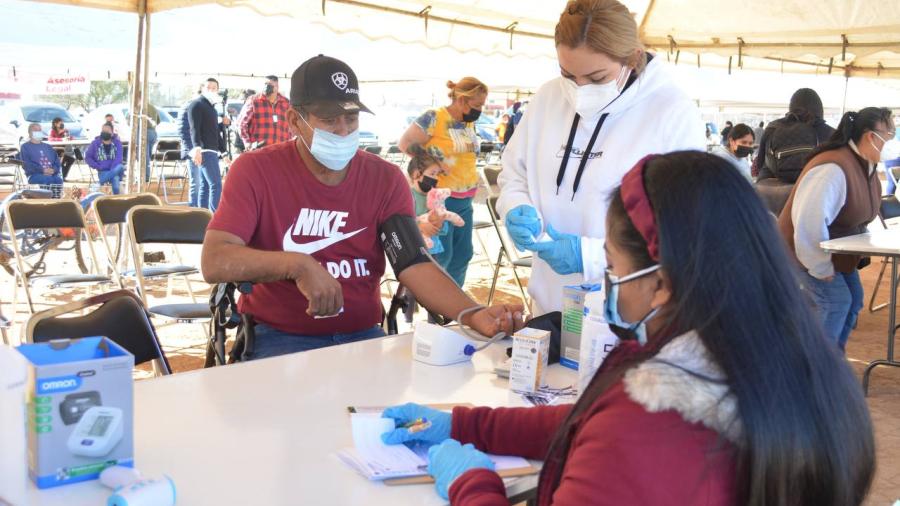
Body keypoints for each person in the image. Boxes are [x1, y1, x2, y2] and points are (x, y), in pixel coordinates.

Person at [382, 152, 875, 505]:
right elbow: (589, 422)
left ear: (659, 282)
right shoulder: (785, 361)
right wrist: (468, 424)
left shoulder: (650, 428)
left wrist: (473, 486)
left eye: (613, 267)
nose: (609, 284)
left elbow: (617, 434)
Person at [201, 55, 523, 360]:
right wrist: (297, 265)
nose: (343, 131)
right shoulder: (256, 171)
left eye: (351, 118)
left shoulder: (384, 179)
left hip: (363, 335)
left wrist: (474, 314)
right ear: (295, 121)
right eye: (329, 120)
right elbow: (215, 260)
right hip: (280, 338)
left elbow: (413, 262)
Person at [497, 0, 705, 314]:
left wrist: (592, 256)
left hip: (624, 314)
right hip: (549, 303)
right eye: (568, 74)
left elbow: (680, 229)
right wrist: (515, 205)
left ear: (633, 58)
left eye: (596, 79)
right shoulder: (547, 98)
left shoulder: (672, 112)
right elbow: (514, 173)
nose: (579, 90)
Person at [779, 107, 895, 350]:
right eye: (890, 133)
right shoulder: (832, 169)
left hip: (836, 253)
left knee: (853, 301)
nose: (893, 140)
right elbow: (808, 223)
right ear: (870, 136)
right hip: (803, 252)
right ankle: (816, 370)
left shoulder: (865, 163)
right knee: (837, 302)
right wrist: (819, 266)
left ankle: (832, 363)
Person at [398, 77, 488, 288]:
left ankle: (453, 307)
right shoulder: (434, 117)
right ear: (462, 100)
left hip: (466, 200)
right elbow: (405, 143)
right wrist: (433, 163)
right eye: (477, 105)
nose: (480, 110)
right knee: (442, 258)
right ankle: (437, 310)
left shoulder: (468, 123)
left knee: (463, 255)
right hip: (441, 198)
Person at [754, 88, 835, 180]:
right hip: (816, 189)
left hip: (772, 191)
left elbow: (760, 163)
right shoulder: (832, 134)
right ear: (820, 109)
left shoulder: (773, 128)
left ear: (791, 107)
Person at [181, 78, 224, 211]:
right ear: (203, 88)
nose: (211, 89)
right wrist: (196, 149)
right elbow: (194, 128)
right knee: (216, 185)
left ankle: (203, 215)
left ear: (217, 90)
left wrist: (224, 152)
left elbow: (216, 131)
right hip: (204, 151)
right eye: (208, 87)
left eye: (214, 87)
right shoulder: (197, 104)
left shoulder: (212, 108)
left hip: (212, 150)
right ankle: (213, 216)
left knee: (206, 185)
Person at [408, 151, 450, 255]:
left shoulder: (437, 197)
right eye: (432, 173)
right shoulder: (406, 197)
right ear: (416, 174)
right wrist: (419, 225)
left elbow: (445, 229)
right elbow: (401, 222)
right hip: (413, 251)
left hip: (433, 251)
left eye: (437, 174)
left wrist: (440, 223)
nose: (435, 178)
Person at [239, 75, 293, 150]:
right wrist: (247, 142)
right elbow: (242, 124)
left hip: (281, 151)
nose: (266, 87)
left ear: (277, 87)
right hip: (259, 151)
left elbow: (292, 127)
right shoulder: (254, 100)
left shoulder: (286, 103)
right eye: (265, 84)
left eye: (270, 85)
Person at [20, 123, 63, 196]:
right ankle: (45, 201)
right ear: (30, 133)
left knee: (58, 180)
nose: (38, 132)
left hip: (51, 174)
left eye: (40, 130)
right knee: (47, 180)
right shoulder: (25, 147)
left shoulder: (48, 147)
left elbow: (57, 162)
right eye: (36, 130)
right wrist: (42, 170)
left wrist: (54, 170)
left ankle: (56, 200)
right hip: (35, 174)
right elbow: (26, 164)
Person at [85, 122, 125, 194]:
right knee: (115, 179)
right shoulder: (95, 143)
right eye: (103, 131)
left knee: (120, 166)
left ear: (112, 133)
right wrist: (97, 166)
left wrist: (112, 170)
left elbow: (119, 158)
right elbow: (88, 157)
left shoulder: (117, 143)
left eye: (107, 131)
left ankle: (98, 184)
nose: (104, 132)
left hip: (115, 169)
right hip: (103, 171)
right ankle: (116, 200)